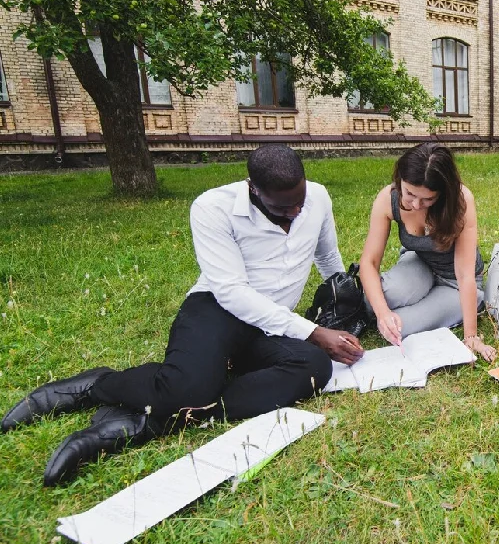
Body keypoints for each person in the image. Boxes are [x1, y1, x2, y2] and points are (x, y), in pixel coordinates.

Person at [1, 144, 364, 486]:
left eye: (299, 203)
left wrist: (346, 298)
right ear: (253, 188)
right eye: (285, 209)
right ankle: (97, 386)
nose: (296, 213)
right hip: (217, 311)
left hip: (272, 324)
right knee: (190, 384)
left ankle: (156, 417)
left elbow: (327, 256)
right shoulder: (213, 208)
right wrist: (313, 331)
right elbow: (232, 292)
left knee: (314, 368)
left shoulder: (316, 197)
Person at [358, 143, 496, 361]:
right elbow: (369, 262)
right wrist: (383, 313)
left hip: (455, 281)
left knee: (401, 328)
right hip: (420, 263)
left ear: (442, 193)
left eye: (428, 199)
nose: (416, 204)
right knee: (377, 299)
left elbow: (465, 275)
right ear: (400, 180)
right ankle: (416, 296)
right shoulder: (388, 198)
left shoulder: (461, 201)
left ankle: (463, 304)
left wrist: (471, 336)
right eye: (410, 193)